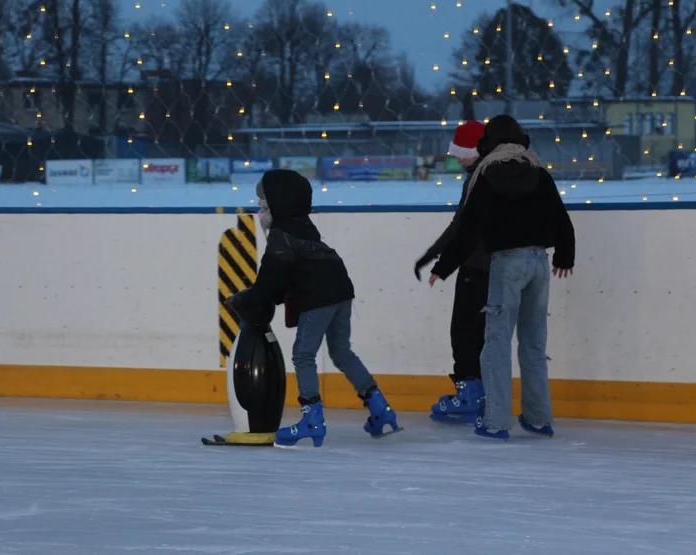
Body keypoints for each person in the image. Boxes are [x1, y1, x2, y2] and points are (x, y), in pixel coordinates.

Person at [229, 168, 401, 448]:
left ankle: (312, 419)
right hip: (341, 289)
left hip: (320, 295)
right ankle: (380, 409)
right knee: (342, 352)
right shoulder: (304, 226)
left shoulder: (282, 234)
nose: (260, 208)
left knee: (303, 354)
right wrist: (269, 295)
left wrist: (246, 300)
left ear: (279, 203)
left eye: (264, 203)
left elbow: (270, 279)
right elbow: (287, 276)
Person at [428, 115, 575, 440]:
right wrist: (565, 256)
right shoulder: (538, 171)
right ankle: (539, 419)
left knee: (495, 344)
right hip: (539, 262)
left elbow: (470, 228)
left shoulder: (487, 173)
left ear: (489, 143)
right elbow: (562, 220)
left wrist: (445, 265)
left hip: (507, 263)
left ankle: (496, 421)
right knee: (534, 346)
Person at [414, 120, 490, 424]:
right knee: (484, 335)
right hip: (500, 267)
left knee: (464, 332)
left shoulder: (479, 178)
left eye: (461, 153)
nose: (457, 159)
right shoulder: (497, 173)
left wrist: (434, 257)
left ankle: (470, 396)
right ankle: (485, 395)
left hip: (476, 266)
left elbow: (461, 227)